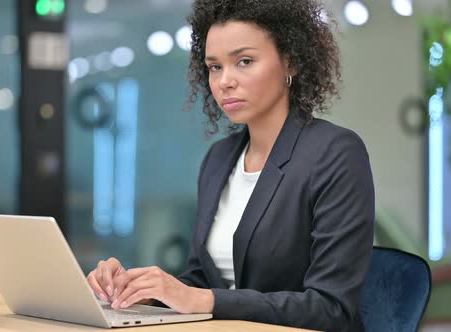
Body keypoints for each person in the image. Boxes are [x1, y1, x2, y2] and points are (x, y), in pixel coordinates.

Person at [86, 0, 375, 331]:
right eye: (214, 67)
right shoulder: (219, 158)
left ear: (290, 61)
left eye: (245, 61)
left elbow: (330, 307)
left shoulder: (335, 153)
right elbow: (202, 277)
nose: (225, 81)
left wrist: (205, 300)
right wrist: (143, 292)